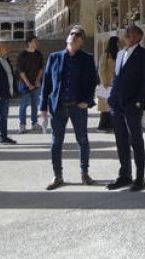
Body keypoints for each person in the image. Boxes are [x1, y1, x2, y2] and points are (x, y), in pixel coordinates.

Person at [40, 26, 99, 190]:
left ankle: (84, 173)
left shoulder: (87, 59)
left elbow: (92, 82)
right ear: (68, 37)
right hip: (58, 106)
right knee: (56, 142)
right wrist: (42, 107)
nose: (73, 36)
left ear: (82, 42)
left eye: (78, 34)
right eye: (72, 33)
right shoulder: (54, 57)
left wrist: (87, 101)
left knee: (82, 140)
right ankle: (57, 176)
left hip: (77, 106)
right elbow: (47, 83)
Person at [106, 24, 145, 191]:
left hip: (133, 104)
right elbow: (117, 77)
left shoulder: (144, 55)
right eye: (126, 32)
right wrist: (111, 98)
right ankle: (124, 175)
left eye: (131, 32)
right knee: (121, 140)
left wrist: (139, 101)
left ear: (139, 37)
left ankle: (140, 177)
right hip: (117, 104)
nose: (127, 34)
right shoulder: (120, 53)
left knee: (136, 140)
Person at [16, 36, 44, 133]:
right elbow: (21, 71)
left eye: (37, 41)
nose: (37, 43)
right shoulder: (22, 55)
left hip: (36, 84)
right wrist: (28, 84)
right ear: (29, 43)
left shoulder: (38, 54)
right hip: (24, 84)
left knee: (35, 104)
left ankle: (34, 123)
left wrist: (37, 80)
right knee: (23, 104)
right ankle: (22, 125)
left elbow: (41, 68)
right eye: (35, 41)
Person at [97, 35, 119, 132]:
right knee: (105, 107)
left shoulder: (119, 53)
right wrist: (104, 81)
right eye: (118, 42)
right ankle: (103, 126)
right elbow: (101, 69)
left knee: (112, 106)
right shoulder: (106, 54)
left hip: (115, 83)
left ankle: (111, 125)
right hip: (106, 83)